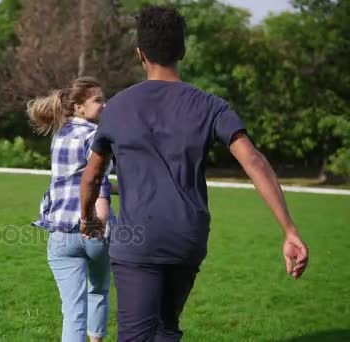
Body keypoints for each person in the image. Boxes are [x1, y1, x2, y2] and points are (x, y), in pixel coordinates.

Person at [78, 6, 309, 342]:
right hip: (187, 238)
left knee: (136, 335)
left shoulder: (118, 108)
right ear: (182, 51)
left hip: (136, 242)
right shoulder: (211, 106)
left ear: (140, 54)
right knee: (166, 329)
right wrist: (289, 229)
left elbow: (91, 177)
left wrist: (88, 218)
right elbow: (255, 161)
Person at [29, 77, 116, 342]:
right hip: (92, 229)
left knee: (73, 311)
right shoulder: (97, 137)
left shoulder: (59, 136)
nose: (105, 105)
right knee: (99, 290)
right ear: (79, 107)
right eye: (98, 100)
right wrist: (98, 220)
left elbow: (74, 179)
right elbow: (96, 182)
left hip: (60, 233)